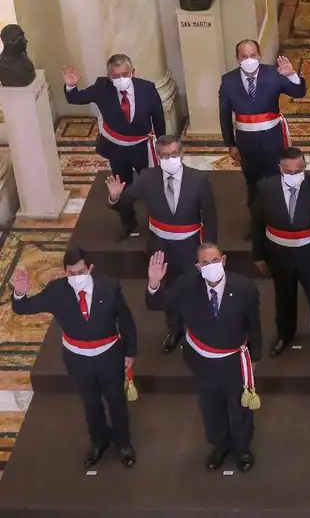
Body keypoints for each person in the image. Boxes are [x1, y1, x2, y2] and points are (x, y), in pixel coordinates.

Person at [11, 248, 137, 469]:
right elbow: (24, 308)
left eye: (80, 272)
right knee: (90, 403)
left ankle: (123, 443)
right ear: (65, 272)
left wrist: (130, 352)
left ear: (90, 268)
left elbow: (126, 320)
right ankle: (99, 441)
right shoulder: (56, 291)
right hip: (78, 359)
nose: (76, 277)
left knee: (116, 402)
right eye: (71, 273)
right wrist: (19, 294)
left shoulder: (108, 287)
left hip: (109, 356)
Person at [146, 245, 262, 473]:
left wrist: (255, 357)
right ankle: (220, 445)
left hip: (234, 361)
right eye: (205, 263)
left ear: (224, 260)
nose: (211, 266)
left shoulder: (244, 287)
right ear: (198, 267)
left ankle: (242, 448)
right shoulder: (186, 286)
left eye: (215, 260)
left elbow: (254, 326)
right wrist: (154, 283)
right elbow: (158, 303)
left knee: (240, 406)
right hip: (202, 361)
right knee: (210, 406)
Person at [106, 135, 218, 354]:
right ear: (158, 157)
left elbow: (210, 218)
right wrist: (115, 197)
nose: (170, 158)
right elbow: (126, 202)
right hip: (160, 247)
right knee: (168, 290)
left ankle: (199, 327)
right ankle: (174, 329)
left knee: (196, 288)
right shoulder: (147, 178)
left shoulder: (198, 180)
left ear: (182, 154)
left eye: (174, 154)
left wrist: (210, 250)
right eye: (165, 155)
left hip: (191, 245)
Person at [251, 146, 310, 356]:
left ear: (305, 166)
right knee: (284, 298)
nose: (294, 175)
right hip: (280, 255)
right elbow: (257, 223)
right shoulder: (265, 188)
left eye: (298, 170)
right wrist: (258, 255)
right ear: (280, 168)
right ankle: (285, 334)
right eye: (289, 171)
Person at [63, 54, 166, 239]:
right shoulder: (101, 88)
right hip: (117, 149)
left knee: (152, 183)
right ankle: (128, 221)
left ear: (133, 72)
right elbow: (76, 98)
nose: (121, 79)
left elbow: (158, 117)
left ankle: (157, 219)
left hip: (142, 146)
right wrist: (71, 86)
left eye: (125, 74)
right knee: (122, 186)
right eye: (116, 76)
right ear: (109, 76)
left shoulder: (147, 88)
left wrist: (162, 142)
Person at [219, 39, 306, 237]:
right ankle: (257, 224)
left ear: (259, 55)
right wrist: (230, 144)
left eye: (253, 55)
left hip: (272, 140)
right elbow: (224, 115)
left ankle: (280, 221)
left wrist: (291, 75)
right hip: (246, 144)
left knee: (277, 182)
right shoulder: (228, 81)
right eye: (244, 56)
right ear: (237, 59)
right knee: (253, 185)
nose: (249, 59)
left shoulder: (274, 74)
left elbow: (299, 92)